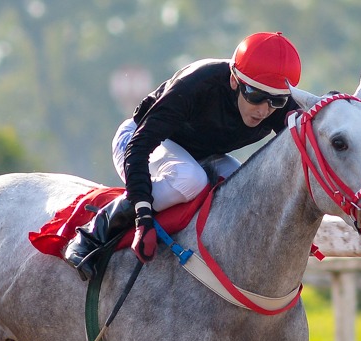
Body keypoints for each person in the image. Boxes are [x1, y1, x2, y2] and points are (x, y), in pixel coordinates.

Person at [66, 31, 303, 280]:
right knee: (190, 179)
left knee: (246, 188)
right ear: (234, 80)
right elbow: (139, 147)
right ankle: (91, 234)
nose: (264, 110)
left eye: (276, 101)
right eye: (255, 96)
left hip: (200, 156)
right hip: (138, 141)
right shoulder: (198, 84)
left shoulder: (279, 106)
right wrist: (143, 217)